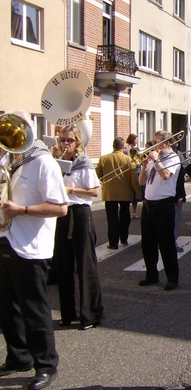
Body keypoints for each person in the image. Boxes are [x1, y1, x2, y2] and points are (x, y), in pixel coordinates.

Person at [0, 110, 68, 390]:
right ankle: (19, 356)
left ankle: (46, 363)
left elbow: (60, 207)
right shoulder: (9, 161)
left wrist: (22, 210)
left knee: (34, 309)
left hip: (30, 247)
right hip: (6, 239)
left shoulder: (43, 163)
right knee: (6, 307)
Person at [53, 125, 104, 330]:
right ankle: (68, 313)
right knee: (63, 265)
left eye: (70, 140)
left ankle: (89, 315)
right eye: (63, 140)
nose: (66, 144)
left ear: (77, 142)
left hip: (81, 213)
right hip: (63, 213)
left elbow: (94, 192)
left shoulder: (83, 162)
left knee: (85, 264)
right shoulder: (56, 164)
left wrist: (71, 189)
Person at [138, 130, 181, 290]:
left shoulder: (172, 157)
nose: (154, 145)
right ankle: (151, 275)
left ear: (166, 143)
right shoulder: (153, 159)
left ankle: (172, 278)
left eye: (157, 142)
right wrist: (144, 167)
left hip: (164, 205)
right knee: (147, 243)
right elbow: (142, 182)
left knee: (166, 244)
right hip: (148, 204)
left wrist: (156, 159)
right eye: (153, 141)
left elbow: (165, 175)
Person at [95, 138, 142, 250]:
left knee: (112, 218)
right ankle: (124, 239)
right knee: (125, 216)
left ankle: (113, 242)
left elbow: (98, 172)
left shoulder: (103, 158)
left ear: (113, 146)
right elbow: (134, 178)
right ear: (123, 147)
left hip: (109, 192)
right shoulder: (129, 159)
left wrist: (105, 180)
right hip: (125, 192)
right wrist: (138, 192)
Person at [125, 133, 140, 218]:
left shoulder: (137, 149)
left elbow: (138, 161)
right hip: (128, 171)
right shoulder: (126, 149)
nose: (137, 141)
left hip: (137, 171)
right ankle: (128, 212)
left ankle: (133, 212)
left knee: (135, 192)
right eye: (136, 139)